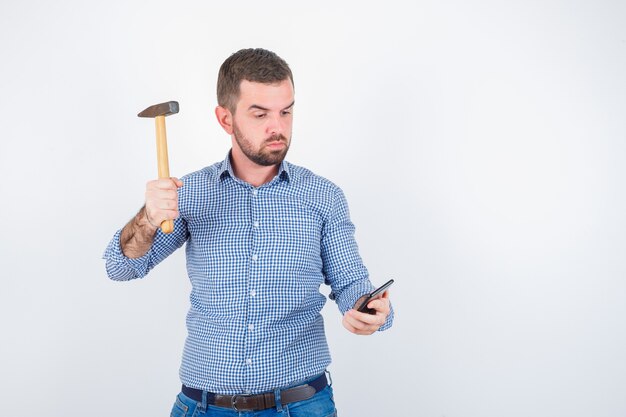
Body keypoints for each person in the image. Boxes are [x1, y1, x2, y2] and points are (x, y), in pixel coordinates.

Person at [103, 48, 394, 417]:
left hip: (300, 405)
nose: (278, 127)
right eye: (260, 114)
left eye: (286, 111)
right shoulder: (189, 194)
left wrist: (371, 310)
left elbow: (352, 285)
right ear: (225, 119)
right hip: (204, 407)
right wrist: (147, 217)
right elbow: (120, 267)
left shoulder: (324, 196)